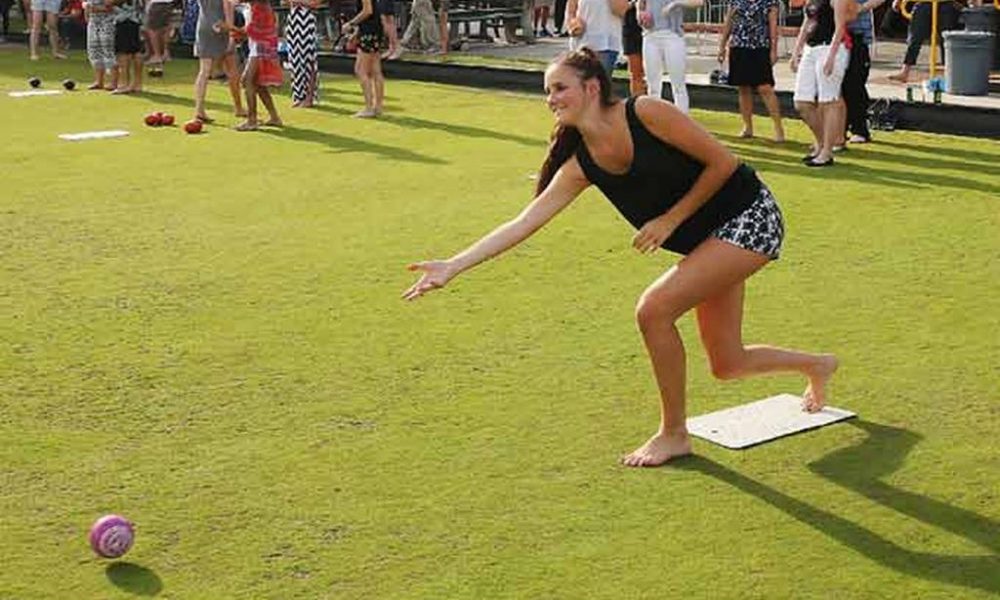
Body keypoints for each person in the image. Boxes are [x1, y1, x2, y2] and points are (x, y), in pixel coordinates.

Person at [403, 48, 838, 467]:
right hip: (709, 242)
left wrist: (670, 220)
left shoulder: (645, 112)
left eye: (559, 88)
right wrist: (452, 266)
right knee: (728, 364)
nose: (550, 99)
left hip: (751, 217)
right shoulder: (580, 165)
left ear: (592, 87)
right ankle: (818, 366)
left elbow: (724, 163)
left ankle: (674, 434)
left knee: (654, 310)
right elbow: (525, 222)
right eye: (547, 91)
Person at [790, 0, 855, 167]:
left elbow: (840, 26)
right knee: (801, 102)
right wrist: (796, 51)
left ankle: (827, 152)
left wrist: (831, 57)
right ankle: (822, 142)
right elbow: (807, 22)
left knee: (829, 101)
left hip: (830, 47)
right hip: (811, 49)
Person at [718, 0, 784, 141]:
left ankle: (778, 128)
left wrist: (774, 50)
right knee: (743, 87)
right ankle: (747, 126)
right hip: (739, 46)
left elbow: (773, 26)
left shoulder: (770, 2)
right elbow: (729, 22)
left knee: (765, 87)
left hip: (760, 47)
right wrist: (722, 46)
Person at [219, 0, 282, 130]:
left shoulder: (259, 7)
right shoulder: (255, 6)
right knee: (257, 83)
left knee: (247, 81)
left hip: (261, 47)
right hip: (260, 45)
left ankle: (252, 120)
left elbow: (251, 31)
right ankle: (274, 117)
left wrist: (229, 27)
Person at [638, 0, 699, 113]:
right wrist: (640, 15)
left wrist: (675, 3)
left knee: (678, 83)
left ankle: (682, 119)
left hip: (673, 35)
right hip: (650, 35)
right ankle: (654, 119)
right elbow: (641, 4)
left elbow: (698, 2)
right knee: (653, 84)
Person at [192, 0, 244, 122]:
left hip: (204, 25)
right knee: (232, 68)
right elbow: (229, 5)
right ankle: (238, 107)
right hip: (221, 26)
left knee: (204, 71)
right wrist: (231, 33)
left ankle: (199, 109)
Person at [841, 0, 884, 143]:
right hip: (835, 34)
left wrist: (862, 7)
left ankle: (859, 129)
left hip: (857, 35)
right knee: (838, 86)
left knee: (855, 85)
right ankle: (840, 128)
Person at [887, 0, 958, 83]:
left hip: (945, 3)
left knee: (946, 39)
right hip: (924, 3)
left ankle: (949, 75)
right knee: (915, 37)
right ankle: (905, 72)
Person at [342, 0, 384, 117]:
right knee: (376, 70)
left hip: (369, 31)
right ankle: (377, 107)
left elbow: (367, 10)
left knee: (361, 70)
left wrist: (350, 24)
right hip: (374, 29)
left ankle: (369, 107)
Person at [566, 0, 628, 76]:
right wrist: (573, 24)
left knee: (600, 83)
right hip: (580, 44)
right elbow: (571, 11)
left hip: (606, 45)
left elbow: (621, 11)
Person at [285, 0, 320, 107]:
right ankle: (299, 96)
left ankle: (309, 97)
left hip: (307, 20)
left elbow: (316, 4)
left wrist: (298, 1)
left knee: (309, 60)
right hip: (293, 20)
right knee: (295, 60)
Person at [111, 0, 144, 94]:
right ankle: (137, 84)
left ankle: (124, 85)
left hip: (124, 20)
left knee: (123, 53)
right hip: (136, 19)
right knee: (136, 51)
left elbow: (108, 2)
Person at [85, 0, 116, 88]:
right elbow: (87, 6)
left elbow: (110, 6)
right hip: (93, 21)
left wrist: (93, 8)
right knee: (94, 50)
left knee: (108, 50)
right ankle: (99, 81)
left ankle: (113, 82)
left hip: (108, 21)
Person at [621, 0, 644, 96]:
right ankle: (637, 105)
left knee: (652, 73)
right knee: (636, 72)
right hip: (631, 27)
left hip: (654, 27)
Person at [143, 0, 172, 75]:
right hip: (168, 4)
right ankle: (165, 53)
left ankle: (157, 55)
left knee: (153, 29)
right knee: (164, 28)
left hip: (156, 3)